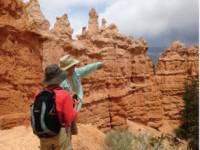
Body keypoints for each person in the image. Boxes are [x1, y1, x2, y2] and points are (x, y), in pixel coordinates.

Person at [33, 64, 77, 150]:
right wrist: (74, 108)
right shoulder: (64, 94)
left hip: (43, 134)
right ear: (59, 79)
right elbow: (68, 119)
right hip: (60, 134)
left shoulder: (38, 93)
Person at [59, 55, 103, 134]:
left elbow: (86, 69)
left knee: (71, 129)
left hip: (73, 106)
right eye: (73, 65)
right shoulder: (60, 80)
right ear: (68, 68)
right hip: (64, 109)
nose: (75, 66)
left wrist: (97, 65)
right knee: (65, 129)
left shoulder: (75, 72)